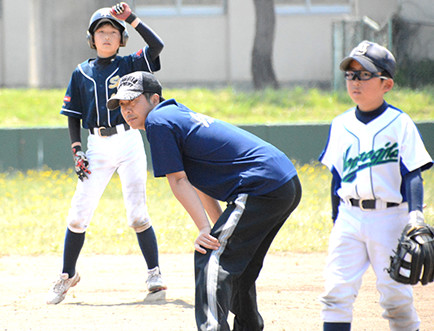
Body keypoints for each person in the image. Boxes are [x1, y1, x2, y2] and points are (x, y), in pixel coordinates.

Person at [106, 71, 302, 330]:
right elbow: (198, 181)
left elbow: (177, 180)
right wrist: (213, 225)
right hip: (281, 181)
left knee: (210, 255)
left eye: (133, 101)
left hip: (261, 184)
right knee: (235, 265)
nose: (127, 110)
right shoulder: (174, 115)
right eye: (122, 104)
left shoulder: (158, 121)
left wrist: (203, 231)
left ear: (154, 99)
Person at [47, 3, 166, 305]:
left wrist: (132, 19)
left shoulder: (129, 65)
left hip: (128, 140)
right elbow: (73, 114)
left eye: (113, 32)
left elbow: (157, 45)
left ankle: (155, 274)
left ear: (121, 37)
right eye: (101, 32)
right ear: (92, 38)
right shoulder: (81, 72)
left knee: (137, 213)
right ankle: (66, 275)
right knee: (78, 215)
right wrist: (76, 150)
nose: (107, 36)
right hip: (96, 145)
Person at [318, 40, 433, 331]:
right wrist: (337, 220)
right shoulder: (339, 124)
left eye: (365, 75)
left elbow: (412, 173)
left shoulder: (399, 123)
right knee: (335, 293)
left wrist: (416, 214)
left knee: (396, 299)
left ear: (386, 84)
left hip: (390, 217)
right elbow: (336, 177)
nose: (355, 82)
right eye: (351, 75)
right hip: (349, 215)